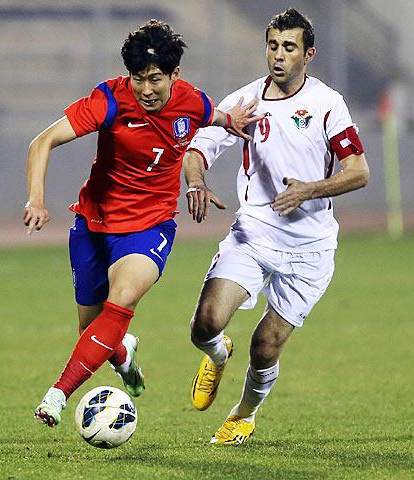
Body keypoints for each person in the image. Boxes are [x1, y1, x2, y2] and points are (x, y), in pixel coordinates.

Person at [24, 19, 263, 427]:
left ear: (174, 75)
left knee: (123, 299)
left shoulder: (191, 102)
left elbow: (215, 116)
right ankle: (123, 352)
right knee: (95, 330)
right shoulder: (109, 100)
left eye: (155, 79)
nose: (147, 90)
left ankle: (56, 396)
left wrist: (233, 121)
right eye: (138, 79)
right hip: (93, 224)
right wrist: (37, 199)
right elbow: (42, 141)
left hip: (150, 226)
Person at [184, 8, 370, 445]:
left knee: (265, 346)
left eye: (289, 47)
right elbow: (197, 148)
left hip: (311, 248)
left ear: (309, 55)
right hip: (254, 235)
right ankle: (217, 352)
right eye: (272, 45)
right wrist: (195, 181)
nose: (278, 56)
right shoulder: (247, 102)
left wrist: (309, 189)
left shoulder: (328, 104)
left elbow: (359, 171)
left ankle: (242, 415)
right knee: (205, 324)